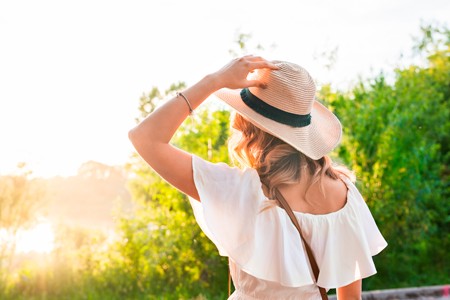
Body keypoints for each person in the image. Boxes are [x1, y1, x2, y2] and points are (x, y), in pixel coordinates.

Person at [129, 55, 387, 299]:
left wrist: (215, 81)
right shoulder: (345, 195)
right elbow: (350, 296)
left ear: (247, 123)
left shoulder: (240, 190)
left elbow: (145, 137)